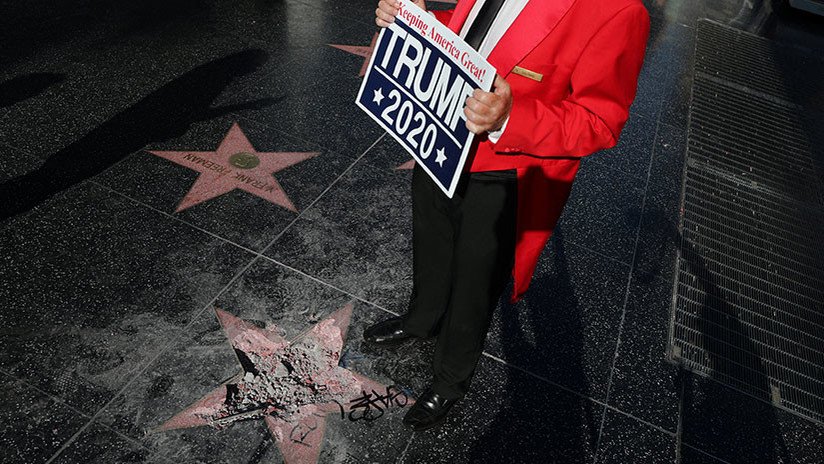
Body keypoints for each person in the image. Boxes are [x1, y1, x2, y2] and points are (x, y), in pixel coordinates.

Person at [363, 0, 650, 431]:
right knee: (431, 237)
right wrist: (416, 23)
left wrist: (511, 117)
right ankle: (422, 320)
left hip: (506, 165)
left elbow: (600, 121)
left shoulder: (621, 10)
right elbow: (473, 40)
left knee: (476, 282)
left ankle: (450, 378)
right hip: (436, 134)